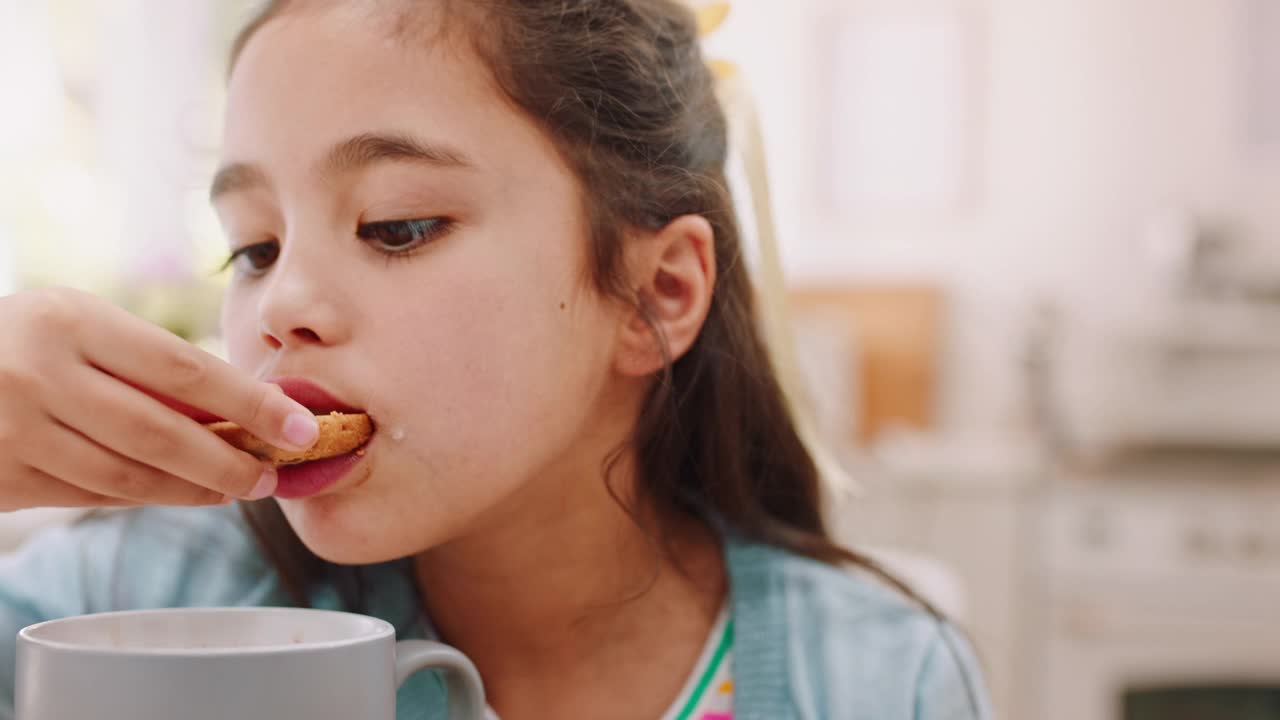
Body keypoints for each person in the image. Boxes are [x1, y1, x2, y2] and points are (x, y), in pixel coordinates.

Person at [0, 1, 991, 718]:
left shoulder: (880, 680)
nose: (281, 305)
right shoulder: (122, 605)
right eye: (254, 246)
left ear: (656, 295)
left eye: (396, 226)